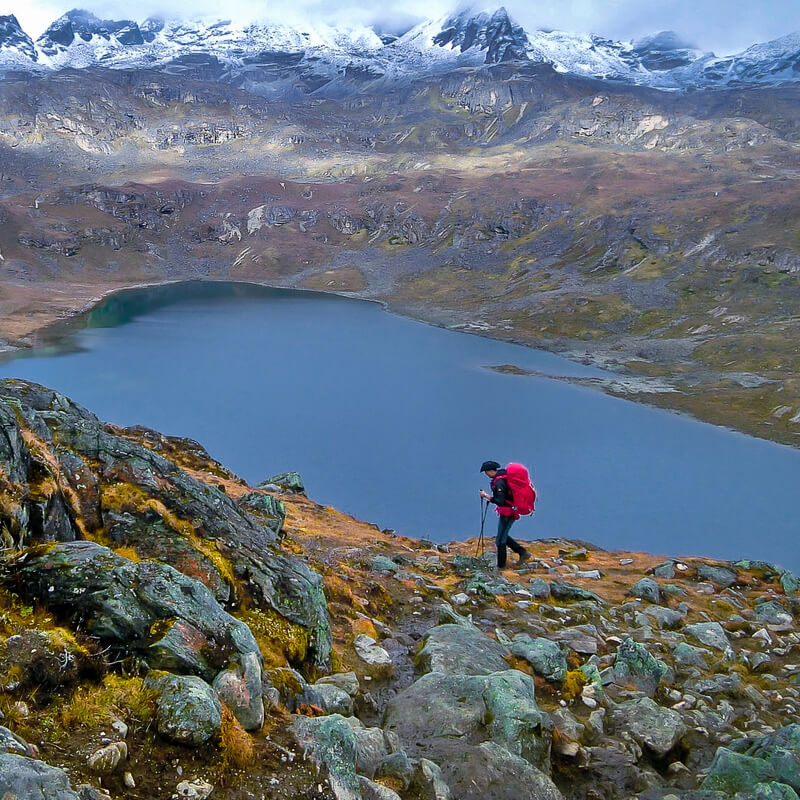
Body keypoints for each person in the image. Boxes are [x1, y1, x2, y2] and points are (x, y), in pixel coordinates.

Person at [479, 460, 531, 570]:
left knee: (500, 540)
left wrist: (487, 496)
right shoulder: (503, 477)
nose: (486, 474)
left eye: (486, 472)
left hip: (508, 512)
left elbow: (500, 501)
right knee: (503, 536)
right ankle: (522, 552)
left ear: (490, 471)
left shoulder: (499, 482)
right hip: (511, 510)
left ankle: (501, 566)